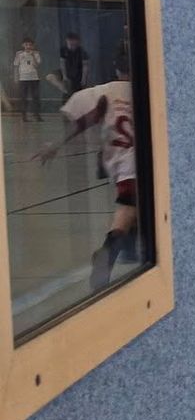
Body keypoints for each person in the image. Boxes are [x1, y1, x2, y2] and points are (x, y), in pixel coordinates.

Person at [36, 53, 138, 290]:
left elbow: (83, 121)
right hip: (136, 163)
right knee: (126, 211)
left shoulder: (105, 92)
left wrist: (55, 144)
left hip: (118, 160)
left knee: (133, 208)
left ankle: (127, 248)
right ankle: (107, 255)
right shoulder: (146, 91)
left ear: (116, 70)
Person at [14, 36, 43, 122]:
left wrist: (33, 55)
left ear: (33, 46)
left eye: (30, 45)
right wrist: (16, 78)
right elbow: (16, 66)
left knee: (35, 97)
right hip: (23, 78)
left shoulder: (36, 54)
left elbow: (37, 65)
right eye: (26, 45)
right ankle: (24, 116)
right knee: (24, 97)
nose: (28, 46)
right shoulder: (19, 54)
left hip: (34, 78)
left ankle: (37, 115)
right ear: (23, 45)